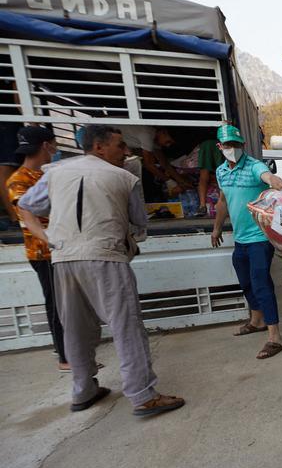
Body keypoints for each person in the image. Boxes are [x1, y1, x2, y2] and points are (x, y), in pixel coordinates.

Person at [18, 125, 185, 416]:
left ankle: (83, 390)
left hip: (63, 258)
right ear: (98, 147)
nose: (126, 152)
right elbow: (138, 220)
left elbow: (28, 205)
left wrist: (50, 235)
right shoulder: (124, 177)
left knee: (75, 328)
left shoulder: (56, 172)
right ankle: (143, 395)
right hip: (105, 256)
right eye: (120, 146)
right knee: (126, 327)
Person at [210, 124, 282, 360]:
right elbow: (223, 201)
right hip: (240, 239)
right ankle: (256, 321)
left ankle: (275, 337)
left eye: (236, 145)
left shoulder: (255, 165)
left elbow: (268, 178)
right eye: (228, 145)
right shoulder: (221, 172)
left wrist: (280, 184)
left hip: (259, 238)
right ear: (220, 147)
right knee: (245, 282)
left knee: (261, 282)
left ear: (243, 146)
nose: (233, 149)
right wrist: (216, 229)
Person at [6, 126, 69, 371]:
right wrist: (52, 238)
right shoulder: (18, 180)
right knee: (56, 304)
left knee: (68, 304)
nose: (55, 148)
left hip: (63, 250)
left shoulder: (49, 174)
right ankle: (64, 357)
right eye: (53, 144)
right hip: (44, 252)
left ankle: (72, 351)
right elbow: (28, 217)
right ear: (46, 145)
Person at [119, 125, 192, 201]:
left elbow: (164, 163)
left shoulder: (154, 137)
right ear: (163, 132)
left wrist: (181, 181)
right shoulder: (147, 135)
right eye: (168, 141)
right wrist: (170, 182)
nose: (167, 146)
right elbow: (149, 164)